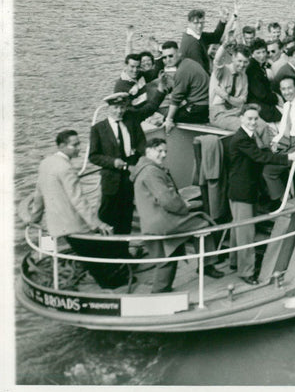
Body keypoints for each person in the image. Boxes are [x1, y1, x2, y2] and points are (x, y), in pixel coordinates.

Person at [28, 130, 129, 289]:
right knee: (97, 253)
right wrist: (97, 224)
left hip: (55, 224)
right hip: (72, 225)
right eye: (75, 145)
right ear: (62, 146)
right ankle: (112, 284)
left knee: (88, 252)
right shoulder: (66, 169)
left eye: (79, 144)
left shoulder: (46, 163)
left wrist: (34, 217)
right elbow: (78, 200)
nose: (79, 148)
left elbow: (39, 193)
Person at [131, 138, 224, 293]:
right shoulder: (151, 171)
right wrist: (184, 206)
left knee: (170, 252)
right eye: (159, 151)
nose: (163, 155)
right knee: (203, 223)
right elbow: (167, 200)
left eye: (165, 151)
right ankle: (206, 265)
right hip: (162, 221)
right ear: (148, 151)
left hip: (150, 221)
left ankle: (162, 288)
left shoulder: (142, 169)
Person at [227, 105, 295, 285]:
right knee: (246, 231)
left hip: (243, 189)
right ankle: (246, 271)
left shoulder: (248, 136)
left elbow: (259, 154)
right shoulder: (241, 139)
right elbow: (259, 157)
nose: (253, 122)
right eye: (249, 119)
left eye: (255, 119)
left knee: (237, 227)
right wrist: (288, 158)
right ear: (241, 118)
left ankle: (233, 261)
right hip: (242, 192)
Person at [89, 86, 167, 237]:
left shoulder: (131, 123)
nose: (119, 111)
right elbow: (93, 156)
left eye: (122, 107)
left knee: (126, 218)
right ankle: (103, 254)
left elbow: (142, 146)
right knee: (107, 217)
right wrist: (113, 162)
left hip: (130, 179)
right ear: (109, 109)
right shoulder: (98, 129)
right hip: (111, 182)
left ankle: (123, 254)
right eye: (116, 108)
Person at [163, 41, 211, 130]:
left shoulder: (182, 70)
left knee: (166, 115)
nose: (168, 60)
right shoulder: (188, 62)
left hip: (200, 109)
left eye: (171, 56)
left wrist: (169, 119)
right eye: (164, 57)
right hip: (206, 105)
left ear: (179, 54)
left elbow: (176, 99)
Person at [209, 45, 250, 131]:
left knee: (262, 125)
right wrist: (224, 45)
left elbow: (241, 102)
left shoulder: (244, 76)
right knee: (247, 128)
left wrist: (226, 96)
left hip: (236, 112)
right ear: (233, 58)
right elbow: (217, 61)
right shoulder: (222, 71)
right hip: (219, 113)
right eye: (239, 61)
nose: (242, 65)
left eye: (245, 62)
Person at [179, 8, 227, 73]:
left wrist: (222, 21)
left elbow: (215, 37)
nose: (199, 26)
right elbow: (200, 70)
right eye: (196, 23)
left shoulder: (196, 35)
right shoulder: (192, 43)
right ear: (189, 23)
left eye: (202, 22)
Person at [246, 38, 282, 124]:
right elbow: (261, 94)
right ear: (252, 54)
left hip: (261, 100)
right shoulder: (252, 68)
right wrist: (276, 98)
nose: (262, 55)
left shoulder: (259, 66)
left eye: (263, 52)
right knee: (280, 116)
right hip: (255, 102)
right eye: (258, 53)